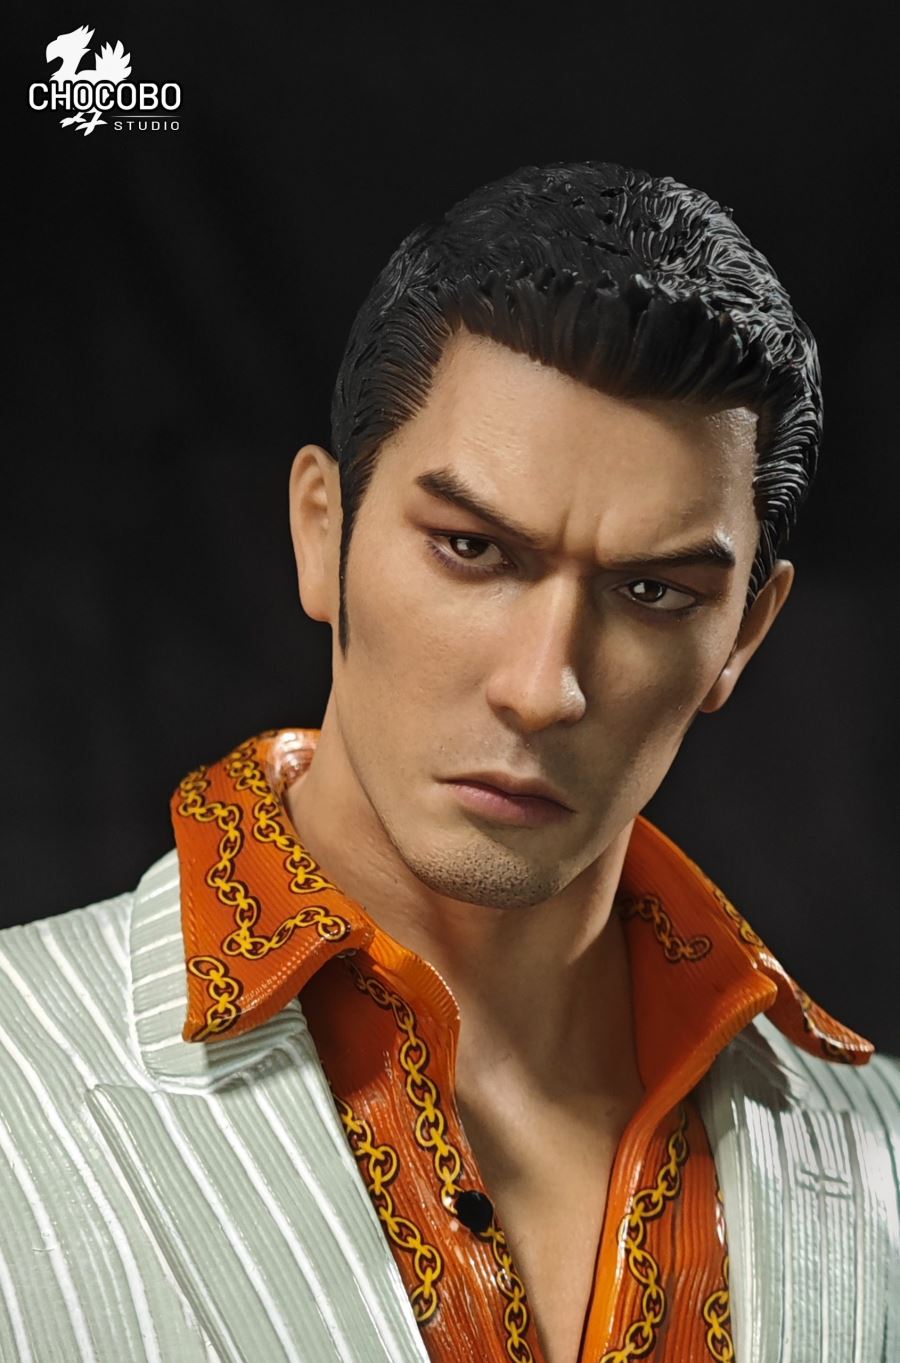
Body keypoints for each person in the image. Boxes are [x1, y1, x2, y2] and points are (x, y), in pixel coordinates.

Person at [1, 160, 897, 1363]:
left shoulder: (882, 1154)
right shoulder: (19, 1070)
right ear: (321, 533)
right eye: (472, 548)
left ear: (743, 634)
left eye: (652, 592)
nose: (543, 685)